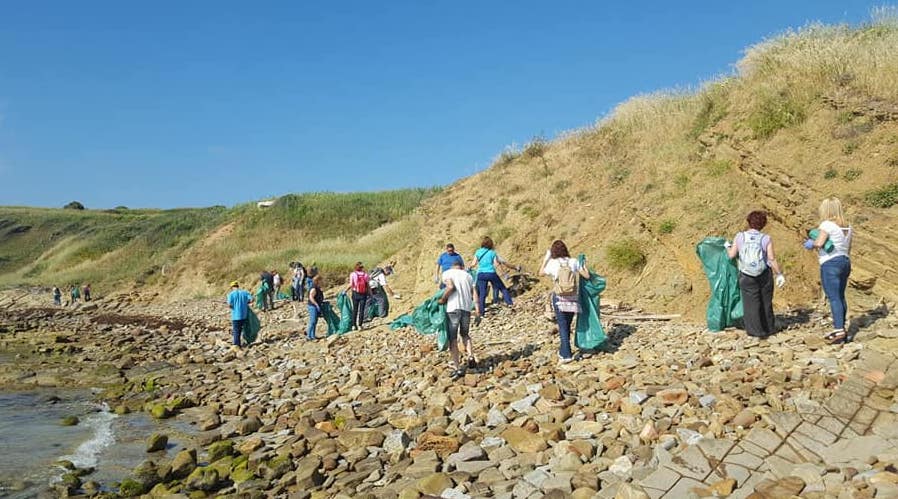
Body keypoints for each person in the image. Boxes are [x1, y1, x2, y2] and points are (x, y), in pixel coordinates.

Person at [726, 210, 785, 339]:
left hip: (746, 275)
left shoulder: (740, 236)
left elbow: (731, 255)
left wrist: (727, 246)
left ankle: (755, 331)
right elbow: (771, 258)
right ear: (763, 224)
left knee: (750, 304)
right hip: (764, 273)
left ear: (748, 222)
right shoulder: (765, 238)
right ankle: (769, 328)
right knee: (765, 301)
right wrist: (779, 274)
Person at [804, 197, 853, 344]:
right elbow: (848, 248)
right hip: (845, 261)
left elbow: (819, 242)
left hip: (830, 263)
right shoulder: (848, 227)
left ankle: (838, 331)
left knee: (833, 297)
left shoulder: (826, 224)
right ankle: (842, 328)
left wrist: (810, 244)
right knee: (841, 296)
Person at [541, 240, 592, 363]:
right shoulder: (573, 261)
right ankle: (563, 351)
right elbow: (587, 276)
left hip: (559, 298)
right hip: (573, 298)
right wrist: (583, 265)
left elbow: (540, 273)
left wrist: (545, 260)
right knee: (567, 325)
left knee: (562, 326)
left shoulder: (552, 263)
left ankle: (566, 354)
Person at [438, 261, 481, 378]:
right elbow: (475, 294)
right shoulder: (468, 276)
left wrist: (443, 299)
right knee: (465, 334)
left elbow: (450, 287)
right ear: (462, 267)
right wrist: (477, 311)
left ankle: (457, 367)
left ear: (452, 266)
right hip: (466, 309)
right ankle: (471, 356)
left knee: (453, 338)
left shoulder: (447, 273)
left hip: (453, 309)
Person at [471, 237, 514, 315]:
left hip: (481, 274)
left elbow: (474, 264)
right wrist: (503, 273)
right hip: (491, 273)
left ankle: (481, 311)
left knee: (482, 293)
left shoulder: (478, 252)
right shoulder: (492, 252)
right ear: (491, 244)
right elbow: (496, 264)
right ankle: (509, 303)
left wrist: (469, 267)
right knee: (502, 288)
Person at [227, 281, 252, 349]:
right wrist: (245, 303)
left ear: (232, 287)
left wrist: (232, 306)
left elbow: (229, 305)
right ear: (237, 286)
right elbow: (251, 300)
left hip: (235, 316)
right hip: (244, 315)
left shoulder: (231, 294)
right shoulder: (244, 292)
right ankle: (248, 342)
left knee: (236, 330)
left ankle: (237, 344)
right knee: (245, 329)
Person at [345, 262, 370, 330]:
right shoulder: (365, 275)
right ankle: (360, 325)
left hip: (355, 293)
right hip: (363, 294)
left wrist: (345, 291)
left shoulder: (353, 274)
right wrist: (371, 294)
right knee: (362, 310)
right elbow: (368, 285)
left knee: (355, 309)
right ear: (362, 268)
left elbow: (350, 284)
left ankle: (353, 325)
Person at [307, 274, 324, 340]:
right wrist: (316, 305)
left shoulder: (317, 287)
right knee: (313, 321)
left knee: (315, 321)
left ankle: (313, 335)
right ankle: (309, 335)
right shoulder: (314, 288)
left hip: (316, 305)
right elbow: (311, 297)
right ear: (318, 281)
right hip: (312, 306)